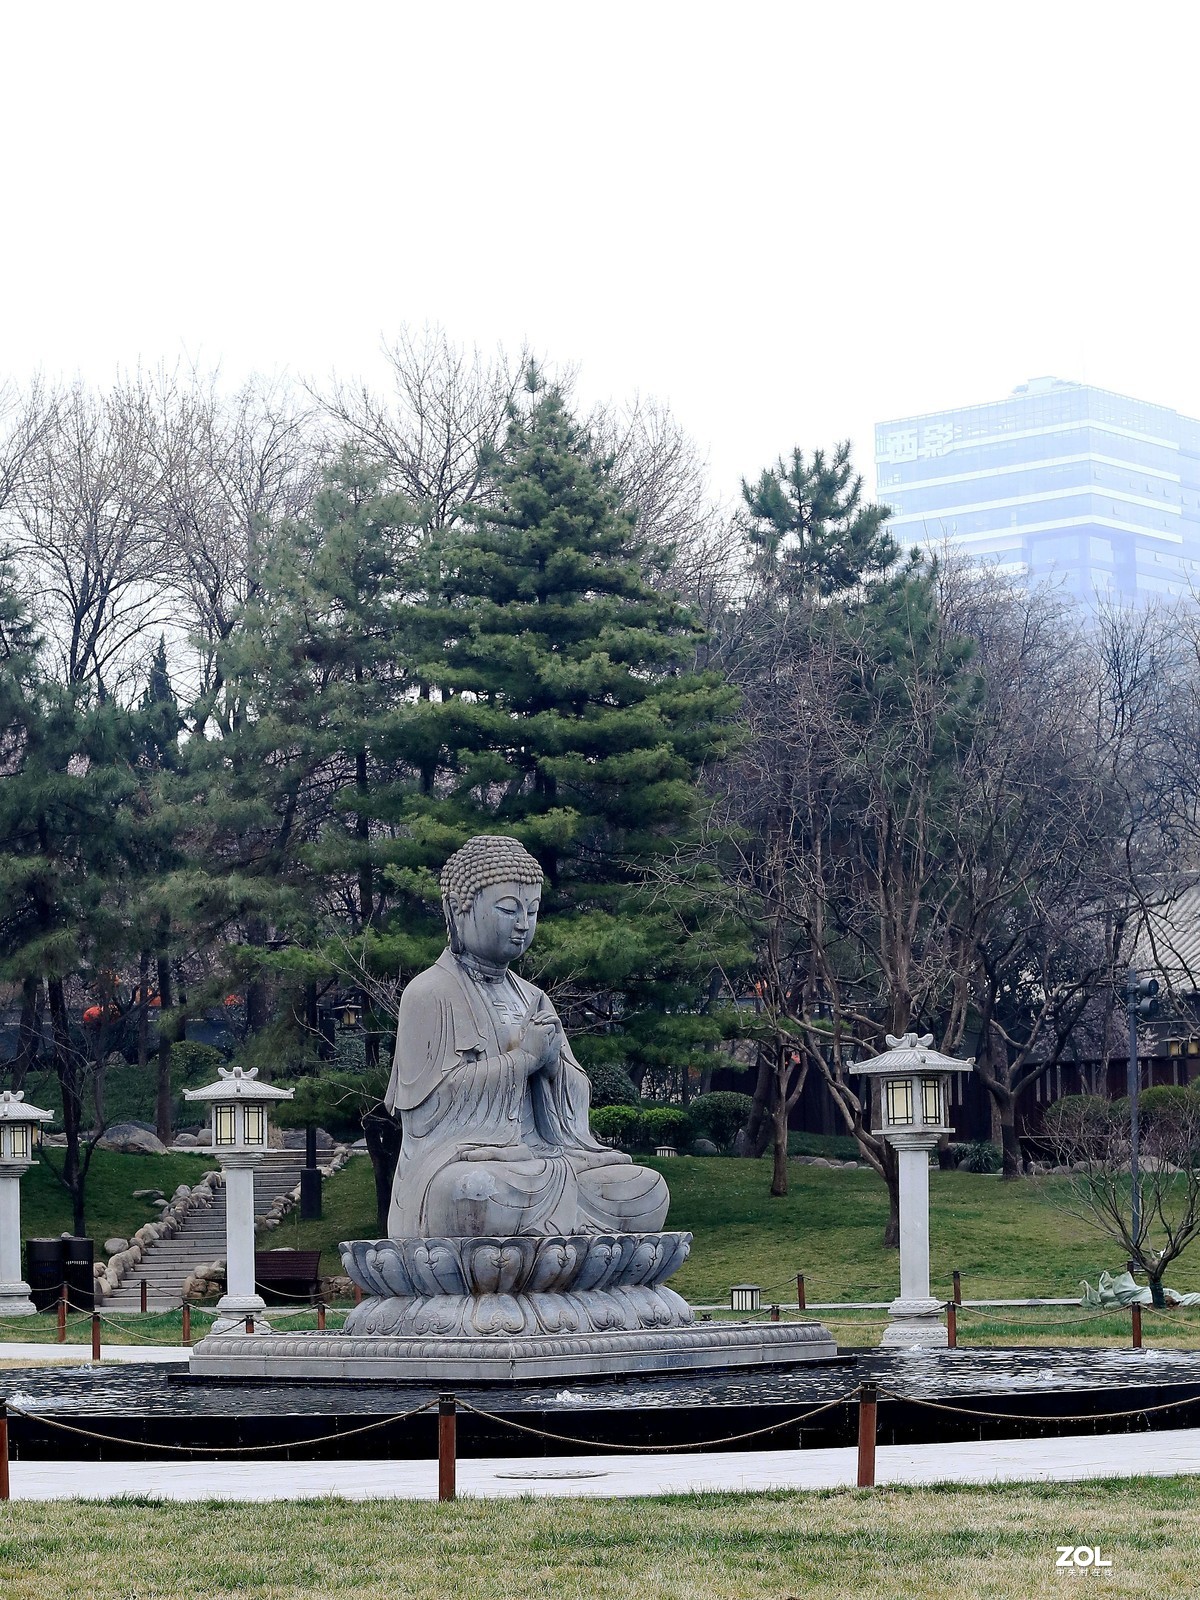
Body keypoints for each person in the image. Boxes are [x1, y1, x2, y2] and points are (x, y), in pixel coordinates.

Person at [385, 835, 669, 1238]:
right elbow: (426, 1112)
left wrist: (553, 1066)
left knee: (645, 1189)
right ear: (456, 910)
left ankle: (553, 1235)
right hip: (470, 1167)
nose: (523, 924)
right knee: (473, 1192)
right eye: (508, 909)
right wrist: (523, 1061)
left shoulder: (534, 997)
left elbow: (576, 1097)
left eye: (532, 911)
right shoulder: (428, 993)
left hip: (545, 1158)